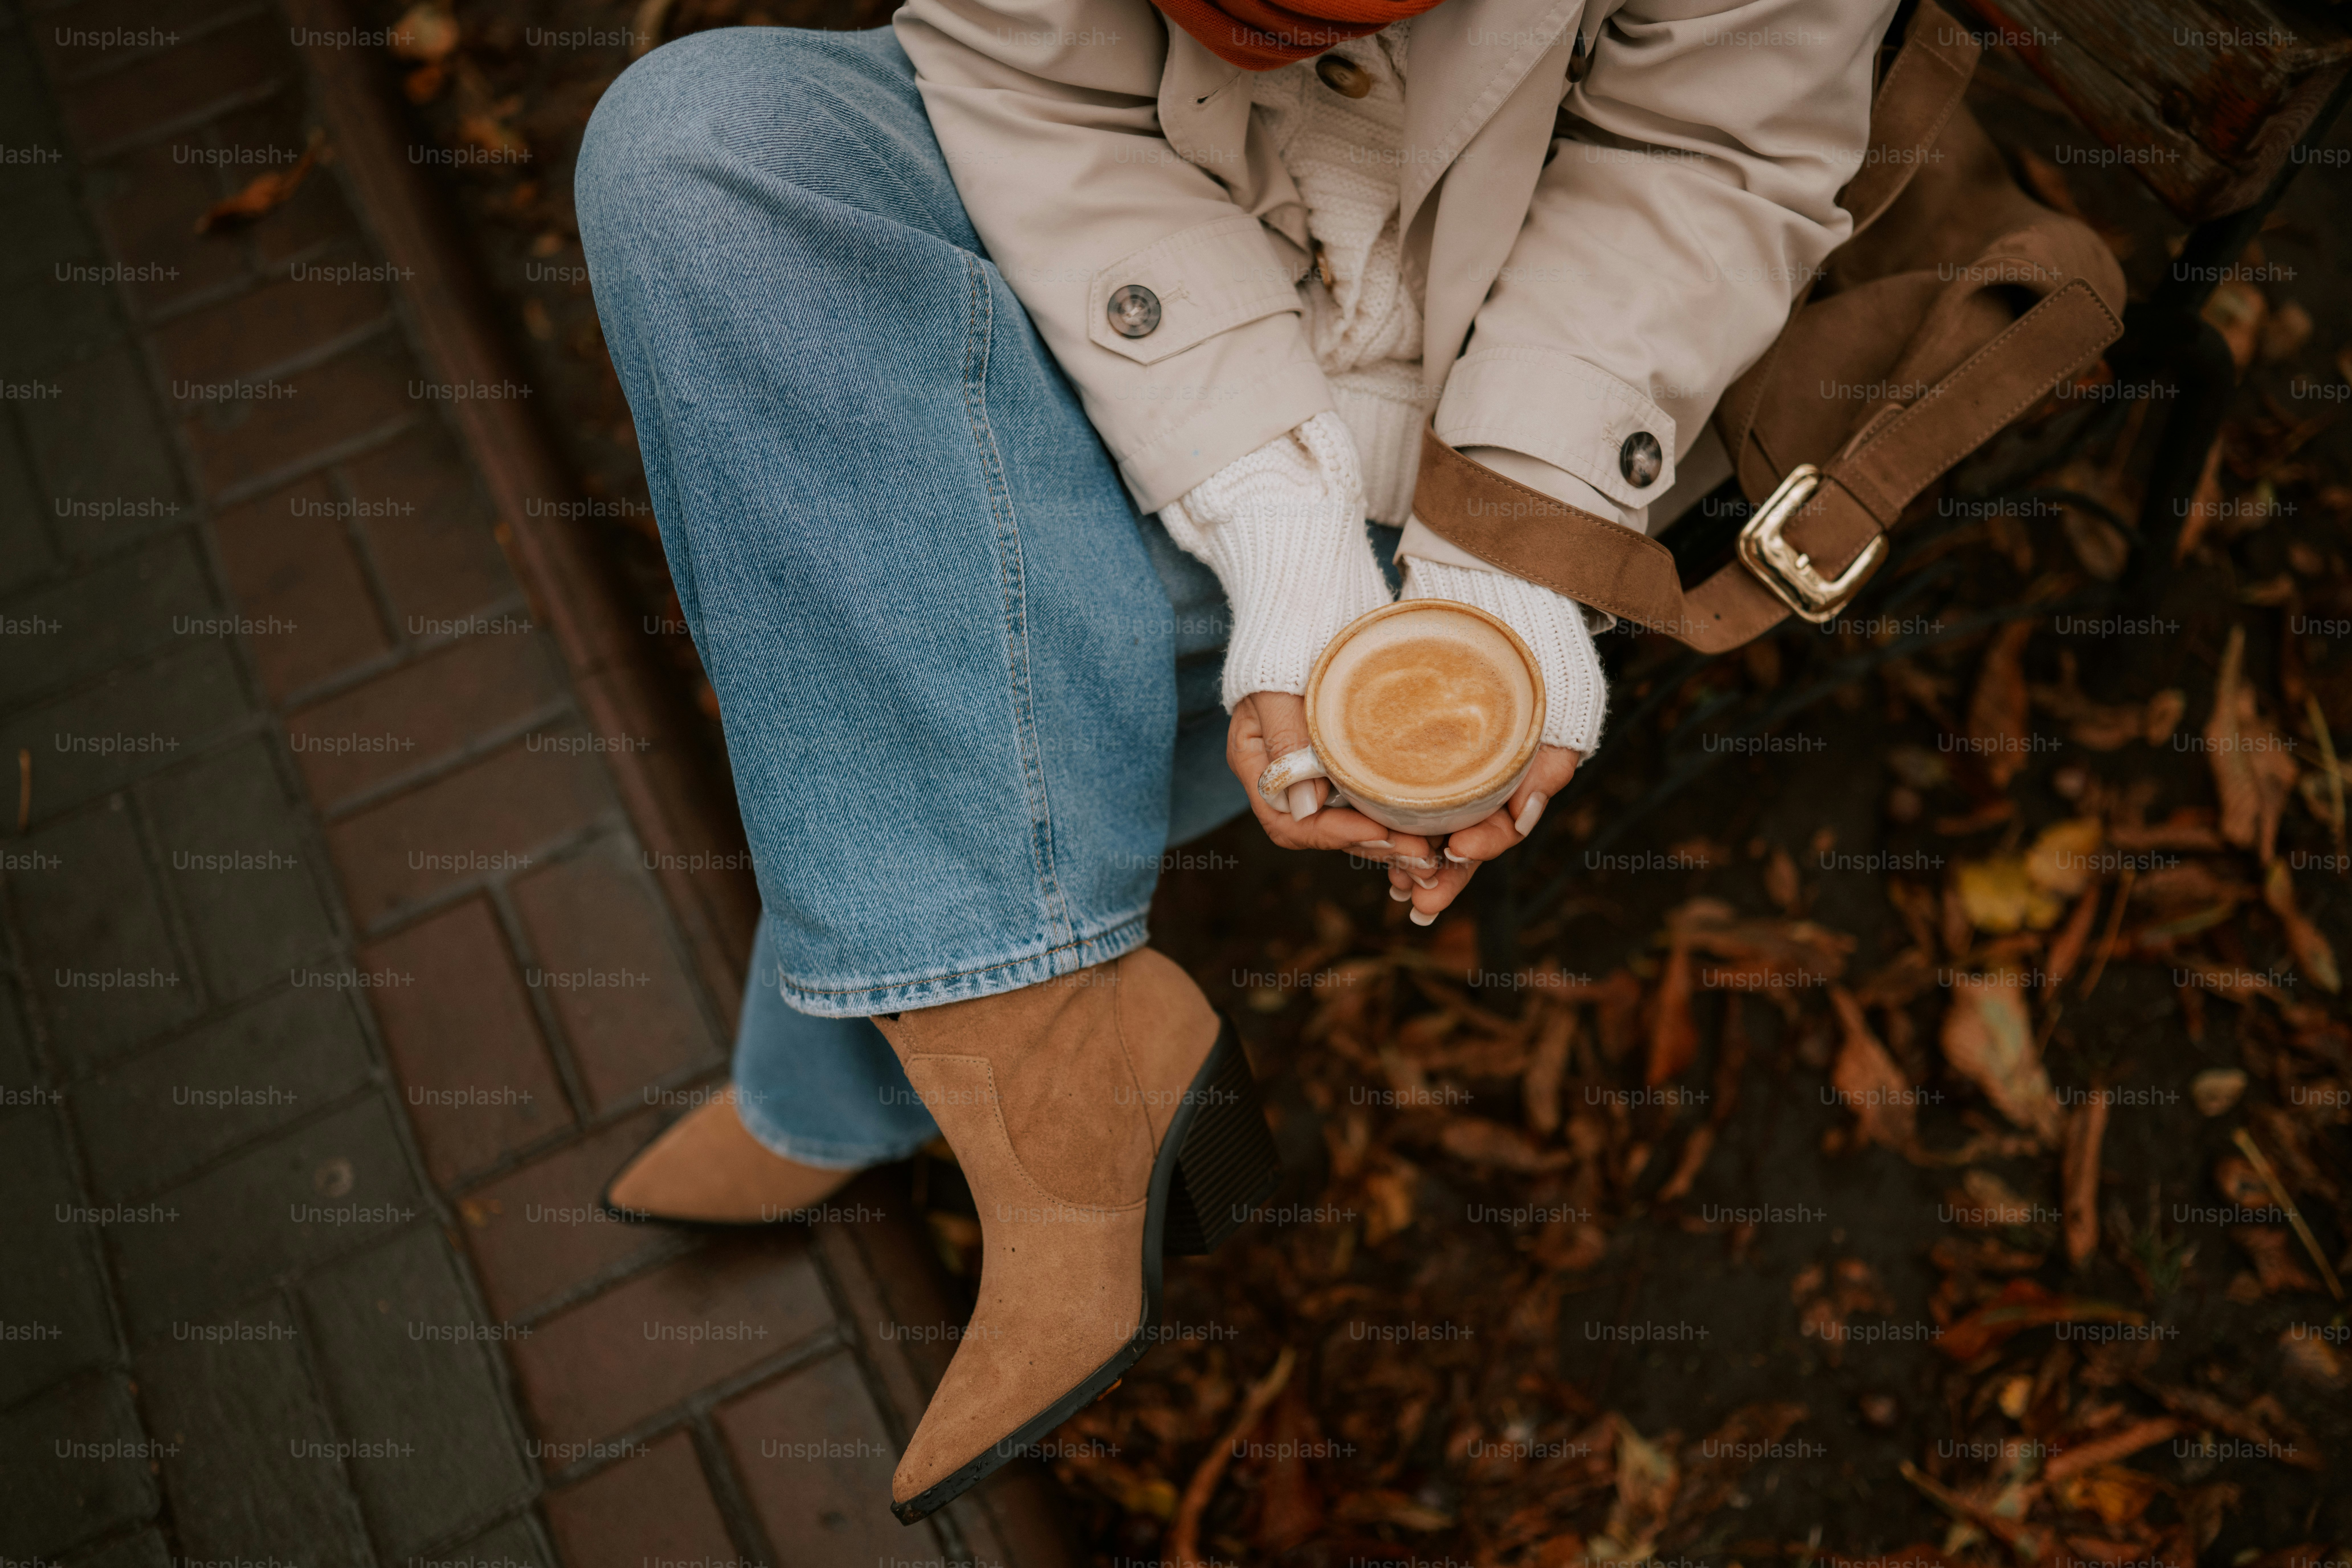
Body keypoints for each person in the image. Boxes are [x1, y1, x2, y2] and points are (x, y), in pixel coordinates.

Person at [575, 0, 1890, 1517]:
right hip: (1114, 222)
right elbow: (1027, 70)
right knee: (698, 141)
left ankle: (898, 1088)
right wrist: (1276, 521)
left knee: (936, 601)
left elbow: (1704, 147)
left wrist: (1511, 548)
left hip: (1502, 361)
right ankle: (1027, 1060)